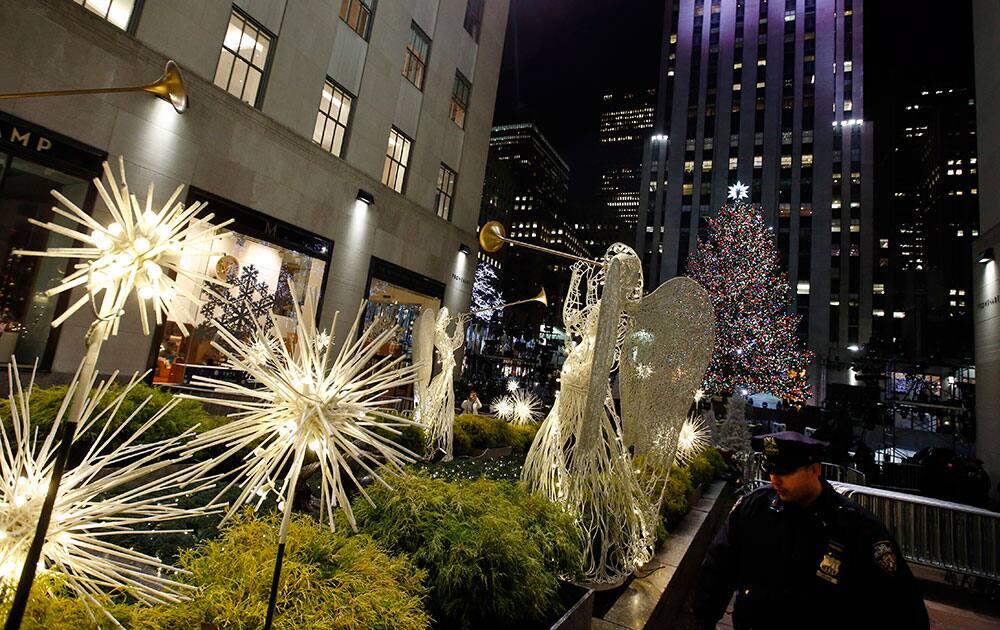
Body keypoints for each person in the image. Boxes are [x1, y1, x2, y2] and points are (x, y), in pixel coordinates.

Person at [692, 431, 929, 629]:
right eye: (771, 470)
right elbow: (718, 568)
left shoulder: (856, 528)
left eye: (786, 471)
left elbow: (901, 607)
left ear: (814, 470)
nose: (776, 480)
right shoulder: (754, 509)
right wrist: (703, 620)